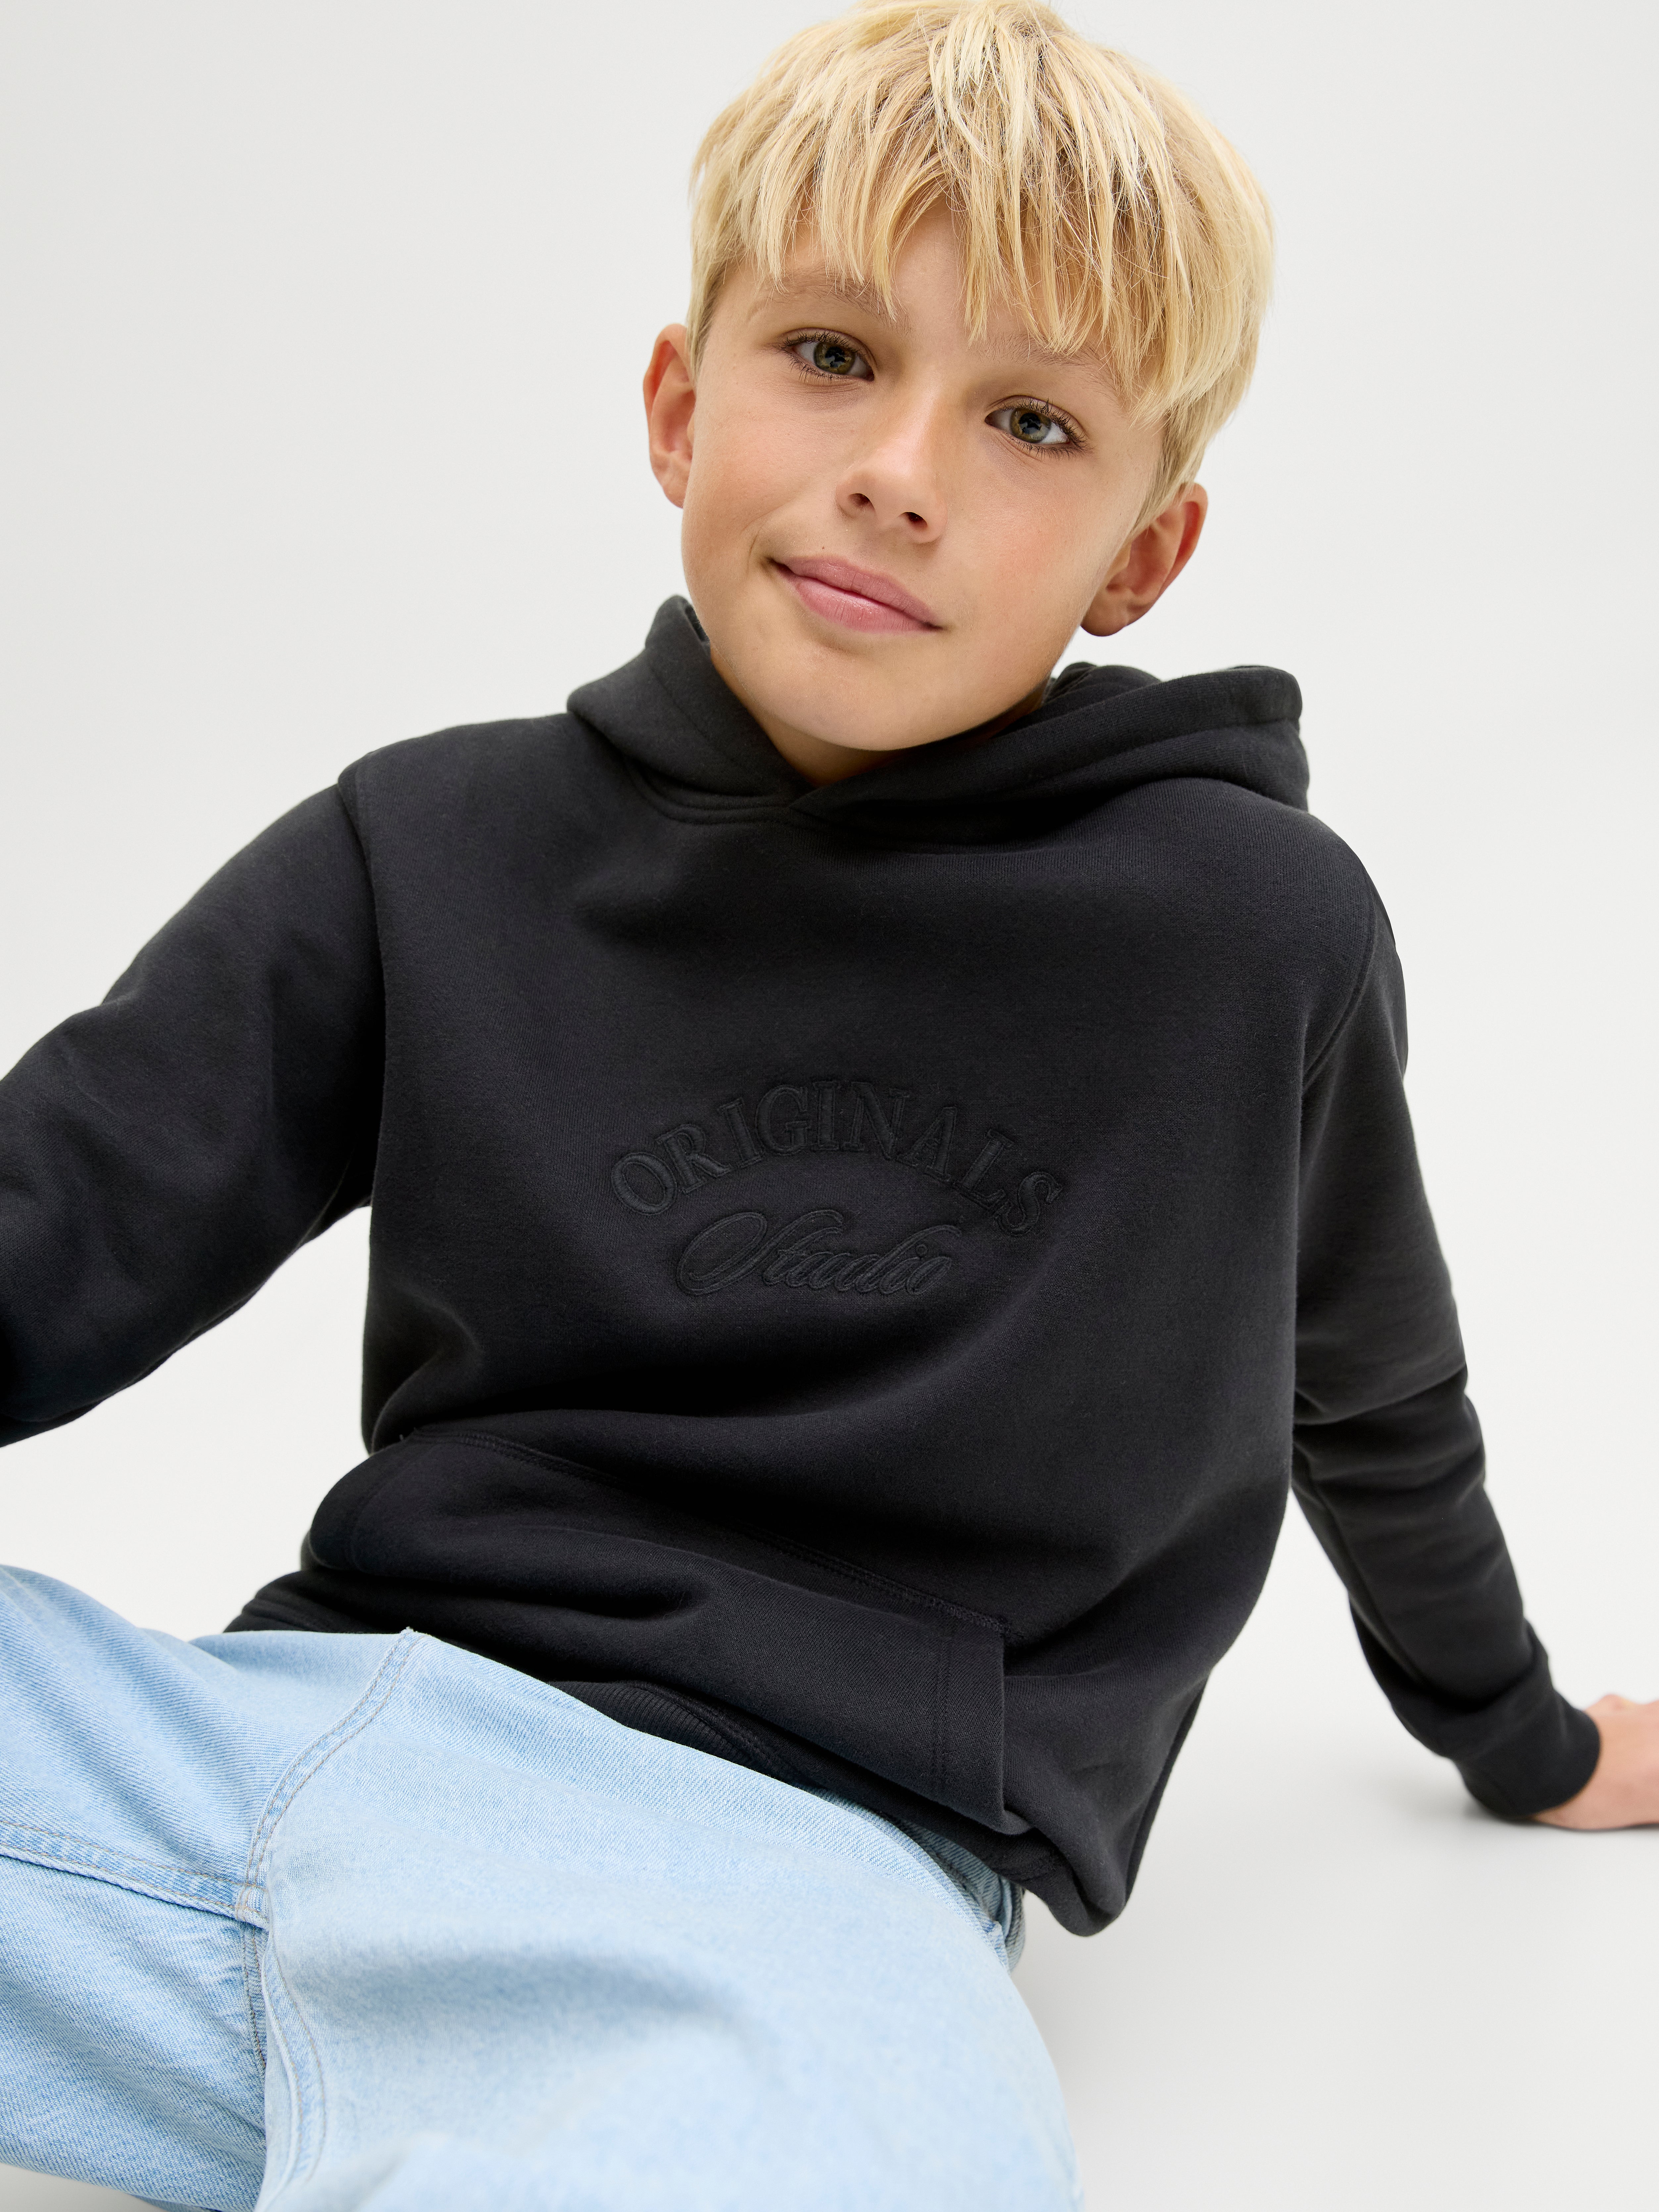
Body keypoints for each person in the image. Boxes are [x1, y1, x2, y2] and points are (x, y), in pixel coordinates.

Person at [1, 3, 1654, 2206]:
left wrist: (1516, 1734)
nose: (900, 470)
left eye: (1031, 420)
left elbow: (1358, 1379)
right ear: (680, 407)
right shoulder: (421, 846)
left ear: (1142, 558)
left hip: (789, 1877)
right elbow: (60, 1214)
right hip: (250, 1764)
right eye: (833, 356)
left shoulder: (1245, 935)